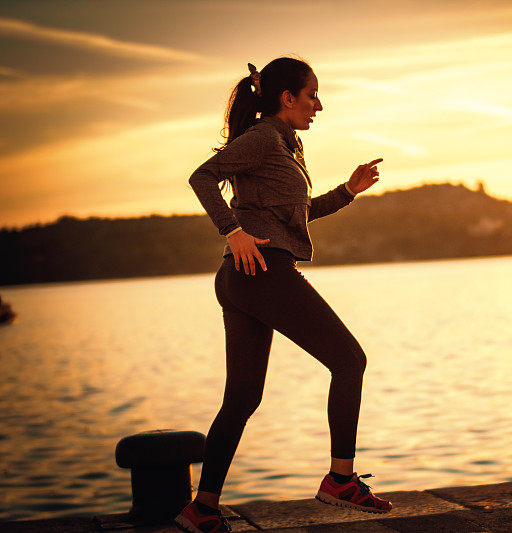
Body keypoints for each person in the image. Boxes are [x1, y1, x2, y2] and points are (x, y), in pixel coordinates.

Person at [174, 56, 391, 533]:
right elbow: (201, 177)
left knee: (243, 396)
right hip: (260, 273)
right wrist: (231, 230)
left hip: (245, 277)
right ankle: (340, 480)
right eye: (312, 95)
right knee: (349, 361)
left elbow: (292, 216)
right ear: (286, 98)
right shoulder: (263, 138)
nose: (319, 104)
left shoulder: (287, 147)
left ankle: (202, 508)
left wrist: (347, 192)